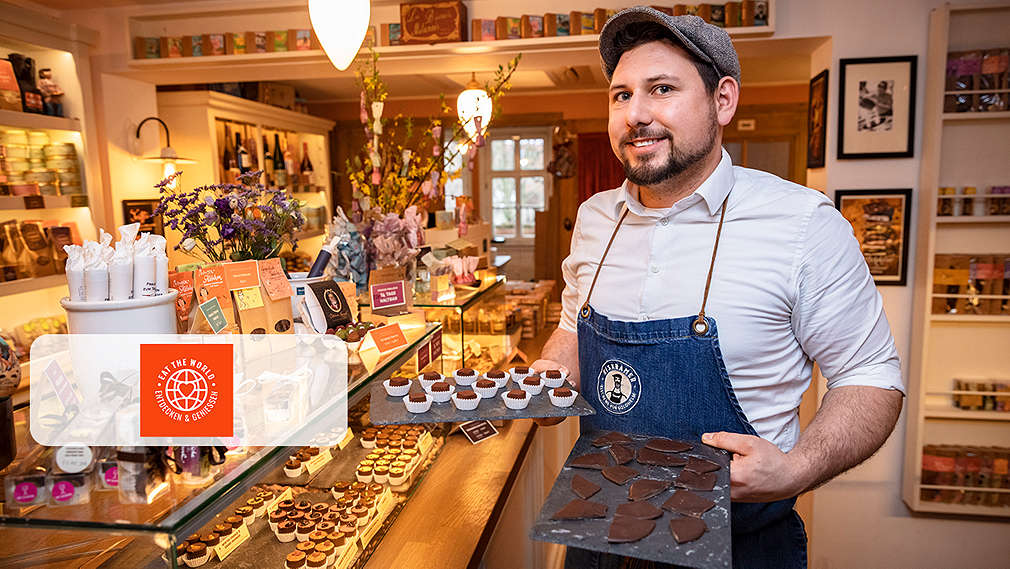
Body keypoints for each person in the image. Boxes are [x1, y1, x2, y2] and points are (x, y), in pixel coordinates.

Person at [531, 7, 904, 568]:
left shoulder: (802, 223)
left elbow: (871, 375)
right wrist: (552, 375)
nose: (636, 114)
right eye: (621, 95)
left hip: (740, 547)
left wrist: (796, 468)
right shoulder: (594, 219)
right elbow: (570, 328)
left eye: (661, 89)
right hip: (598, 541)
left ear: (722, 100)